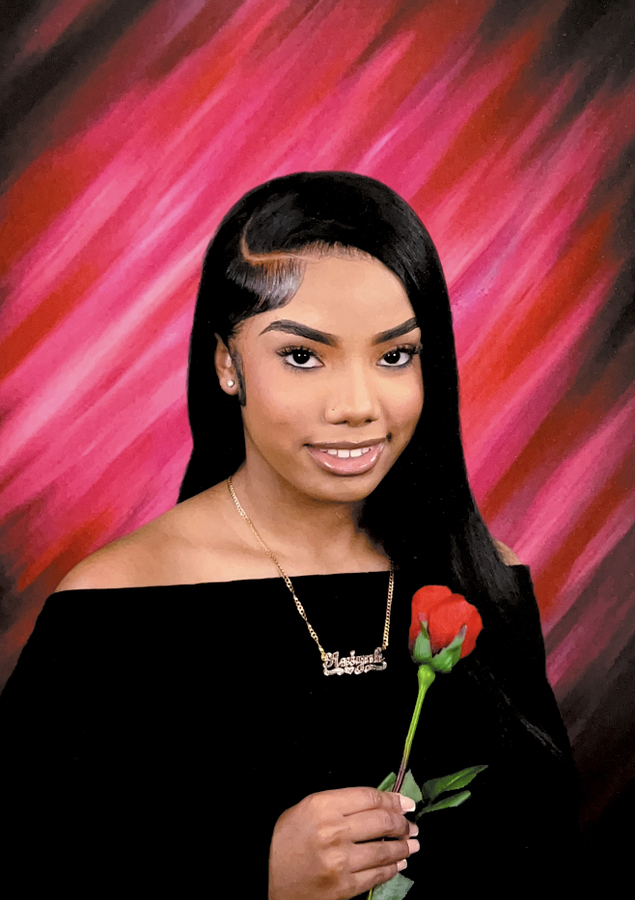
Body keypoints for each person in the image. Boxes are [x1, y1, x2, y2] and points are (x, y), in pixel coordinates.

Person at [0, 172, 577, 898]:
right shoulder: (113, 608)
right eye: (303, 356)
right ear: (227, 364)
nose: (357, 405)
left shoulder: (482, 578)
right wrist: (255, 871)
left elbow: (546, 846)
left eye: (394, 355)